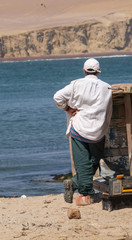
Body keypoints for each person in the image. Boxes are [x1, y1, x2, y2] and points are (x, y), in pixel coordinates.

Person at [53, 58, 113, 204]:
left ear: (84, 71)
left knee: (82, 162)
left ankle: (78, 187)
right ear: (99, 71)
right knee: (94, 160)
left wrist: (67, 108)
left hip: (79, 128)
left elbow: (57, 97)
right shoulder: (107, 87)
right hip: (98, 130)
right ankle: (85, 190)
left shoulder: (76, 84)